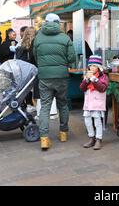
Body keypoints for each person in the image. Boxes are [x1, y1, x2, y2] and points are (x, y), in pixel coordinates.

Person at [33, 13, 76, 150]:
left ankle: (44, 138)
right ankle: (63, 133)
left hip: (44, 76)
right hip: (62, 76)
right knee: (63, 104)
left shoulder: (38, 37)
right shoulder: (65, 37)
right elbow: (72, 58)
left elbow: (35, 56)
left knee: (45, 106)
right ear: (58, 23)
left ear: (46, 22)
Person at [80, 55, 109, 150]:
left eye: (94, 66)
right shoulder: (87, 75)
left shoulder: (103, 77)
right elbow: (82, 88)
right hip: (88, 102)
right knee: (87, 119)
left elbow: (102, 88)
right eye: (90, 65)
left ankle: (98, 139)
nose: (92, 68)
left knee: (97, 121)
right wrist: (87, 79)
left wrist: (93, 78)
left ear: (99, 67)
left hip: (97, 102)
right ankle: (91, 137)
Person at [15, 27, 37, 107]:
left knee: (26, 87)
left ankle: (27, 104)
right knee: (34, 88)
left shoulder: (20, 44)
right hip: (33, 69)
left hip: (22, 70)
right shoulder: (35, 44)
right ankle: (33, 105)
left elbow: (17, 58)